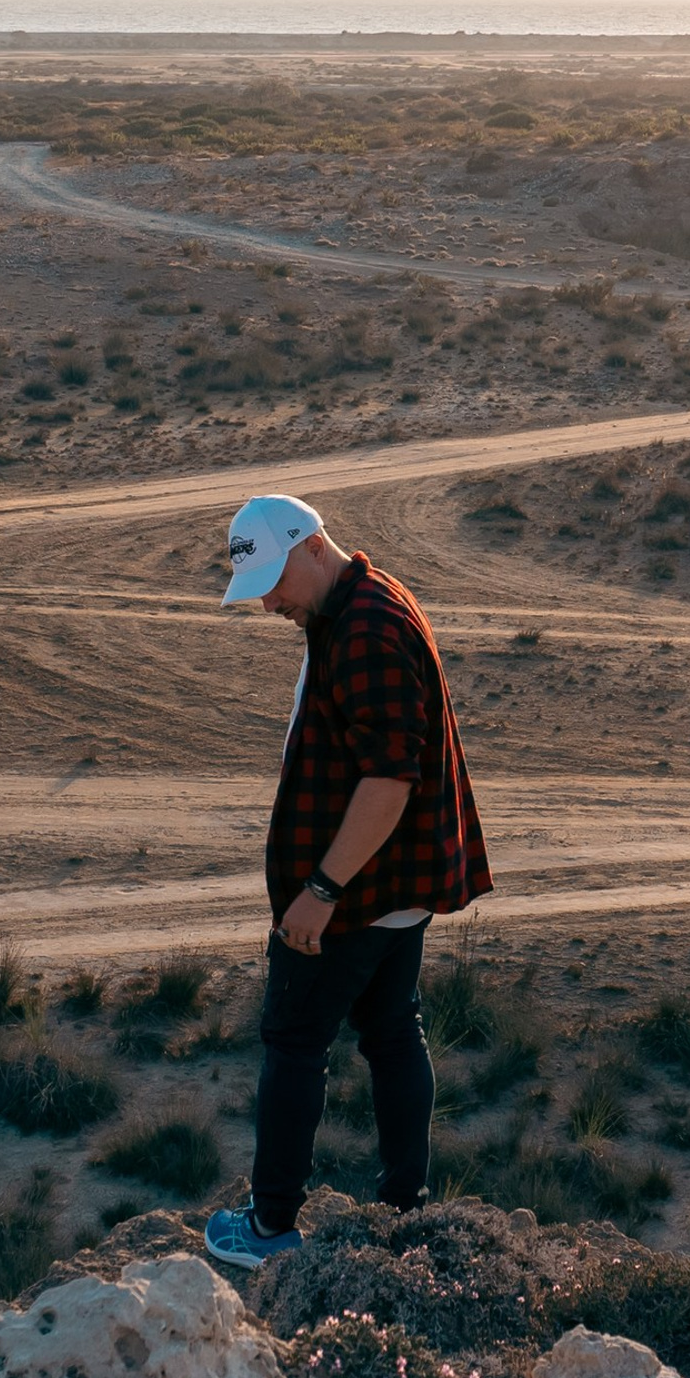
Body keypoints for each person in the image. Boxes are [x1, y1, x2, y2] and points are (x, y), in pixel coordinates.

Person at [201, 494, 491, 1270]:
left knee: (294, 1043)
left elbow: (389, 781)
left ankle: (269, 1231)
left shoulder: (365, 630)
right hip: (394, 888)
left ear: (311, 546)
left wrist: (319, 893)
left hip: (353, 898)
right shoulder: (364, 601)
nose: (268, 604)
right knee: (393, 1033)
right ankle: (403, 1212)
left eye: (272, 582)